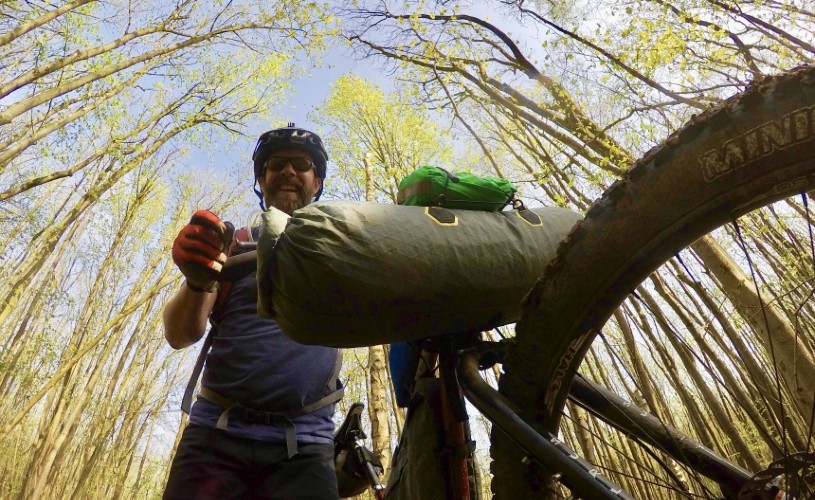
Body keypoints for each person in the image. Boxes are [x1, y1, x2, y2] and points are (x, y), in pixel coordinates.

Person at [162, 124, 343, 499]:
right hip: (215, 436)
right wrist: (199, 280)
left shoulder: (343, 248)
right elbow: (180, 335)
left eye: (301, 164)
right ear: (262, 179)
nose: (289, 171)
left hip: (306, 445)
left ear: (318, 182)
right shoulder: (232, 244)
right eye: (276, 164)